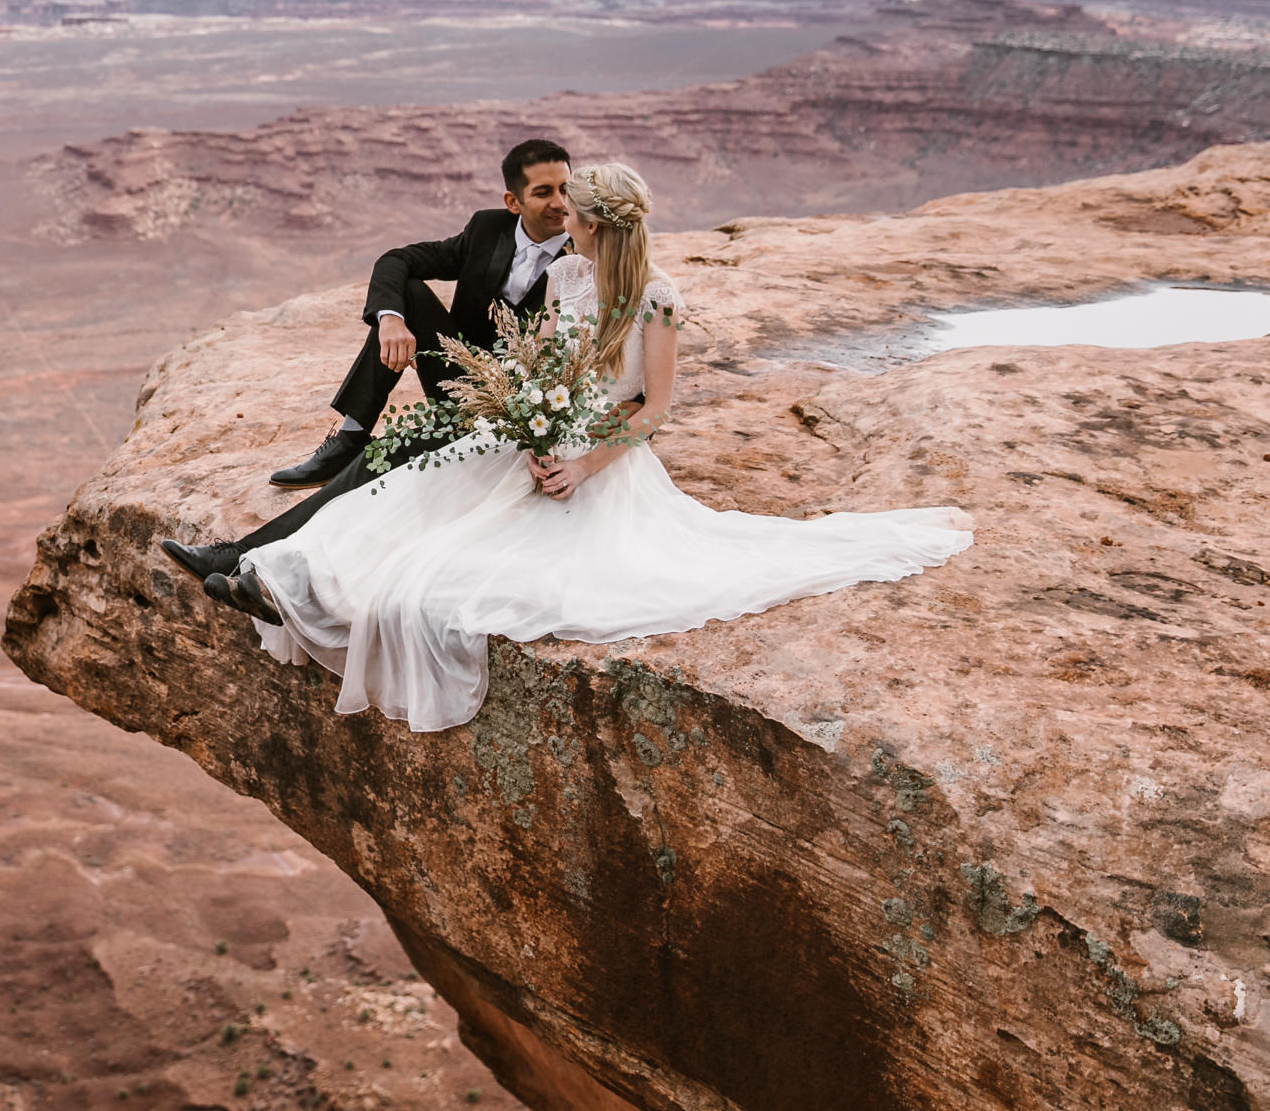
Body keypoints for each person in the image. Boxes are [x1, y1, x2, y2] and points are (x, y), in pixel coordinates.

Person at [184, 161, 972, 733]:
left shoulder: (658, 299)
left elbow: (652, 407)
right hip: (531, 429)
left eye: (577, 214)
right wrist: (523, 416)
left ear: (598, 223)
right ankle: (271, 573)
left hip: (599, 458)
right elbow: (551, 363)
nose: (566, 221)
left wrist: (584, 459)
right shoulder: (566, 279)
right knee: (409, 492)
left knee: (454, 567)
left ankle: (289, 580)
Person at [158, 138, 574, 590]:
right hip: (459, 375)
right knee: (407, 294)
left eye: (565, 189)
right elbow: (398, 259)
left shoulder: (585, 255)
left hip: (514, 409)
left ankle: (244, 556)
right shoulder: (488, 228)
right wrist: (391, 320)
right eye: (544, 192)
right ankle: (352, 434)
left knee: (379, 464)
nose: (560, 203)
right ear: (512, 201)